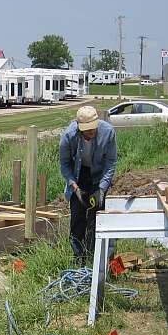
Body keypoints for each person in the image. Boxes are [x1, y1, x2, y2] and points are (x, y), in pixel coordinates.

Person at [59, 105, 117, 258]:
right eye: (87, 129)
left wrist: (102, 189)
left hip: (98, 177)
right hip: (79, 176)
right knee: (77, 219)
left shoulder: (108, 132)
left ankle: (94, 257)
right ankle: (78, 258)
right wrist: (75, 187)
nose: (92, 131)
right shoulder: (68, 136)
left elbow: (110, 162)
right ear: (79, 127)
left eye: (93, 127)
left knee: (95, 217)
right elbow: (64, 164)